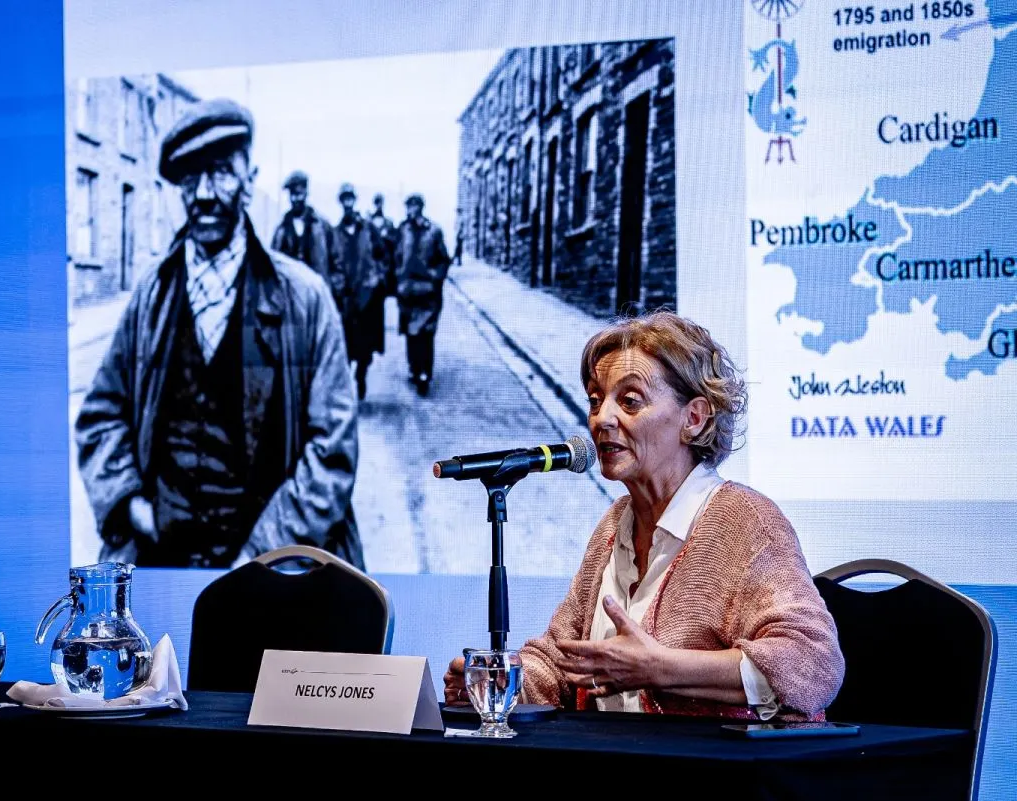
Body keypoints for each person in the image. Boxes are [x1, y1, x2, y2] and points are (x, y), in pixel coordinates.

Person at [443, 311, 844, 720]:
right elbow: (561, 663)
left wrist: (660, 668)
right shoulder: (615, 524)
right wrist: (501, 682)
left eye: (629, 401)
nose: (601, 419)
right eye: (595, 400)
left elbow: (813, 664)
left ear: (694, 418)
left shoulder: (744, 521)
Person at [74, 98, 363, 570]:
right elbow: (101, 416)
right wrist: (132, 505)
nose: (205, 194)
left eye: (222, 172)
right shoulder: (151, 295)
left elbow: (331, 449)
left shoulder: (305, 298)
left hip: (273, 573)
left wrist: (261, 557)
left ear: (250, 181)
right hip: (163, 561)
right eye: (191, 177)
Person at [329, 183, 387, 400]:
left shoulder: (368, 229)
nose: (347, 204)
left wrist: (377, 277)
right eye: (344, 200)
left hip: (367, 296)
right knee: (346, 344)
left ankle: (361, 375)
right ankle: (347, 384)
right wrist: (338, 285)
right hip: (346, 297)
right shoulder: (335, 233)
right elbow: (332, 262)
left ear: (355, 201)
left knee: (366, 346)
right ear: (340, 203)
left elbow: (382, 255)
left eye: (350, 199)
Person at [394, 193, 451, 397]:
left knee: (426, 334)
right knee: (411, 333)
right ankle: (414, 368)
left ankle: (425, 373)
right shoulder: (403, 231)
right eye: (408, 206)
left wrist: (434, 277)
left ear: (421, 207)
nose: (411, 210)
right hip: (408, 291)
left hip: (428, 292)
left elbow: (444, 260)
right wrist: (398, 278)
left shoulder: (433, 231)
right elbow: (396, 257)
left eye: (414, 206)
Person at [271, 170, 340, 295]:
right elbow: (274, 262)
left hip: (318, 292)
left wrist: (333, 290)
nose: (295, 199)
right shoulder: (282, 229)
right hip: (291, 293)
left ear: (306, 193)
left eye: (298, 194)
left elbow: (336, 261)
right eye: (292, 194)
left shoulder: (322, 225)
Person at [367, 192, 398, 295]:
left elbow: (395, 242)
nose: (378, 205)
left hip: (385, 264)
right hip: (372, 263)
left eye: (380, 202)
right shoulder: (368, 222)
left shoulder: (388, 223)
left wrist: (386, 236)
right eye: (377, 202)